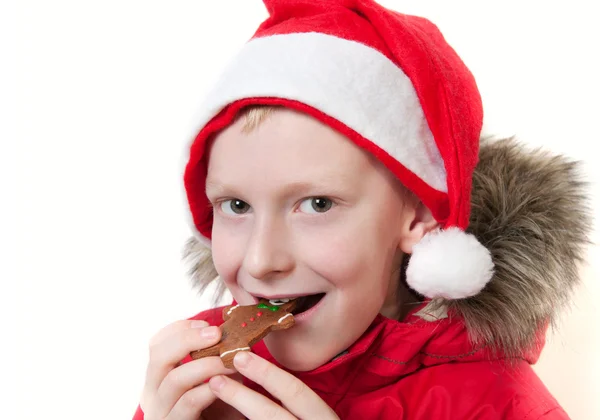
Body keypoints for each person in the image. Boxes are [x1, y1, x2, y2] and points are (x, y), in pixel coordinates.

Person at [133, 0, 592, 418]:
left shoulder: (502, 405)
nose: (260, 261)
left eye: (316, 204)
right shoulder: (200, 379)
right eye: (236, 205)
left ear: (417, 217)